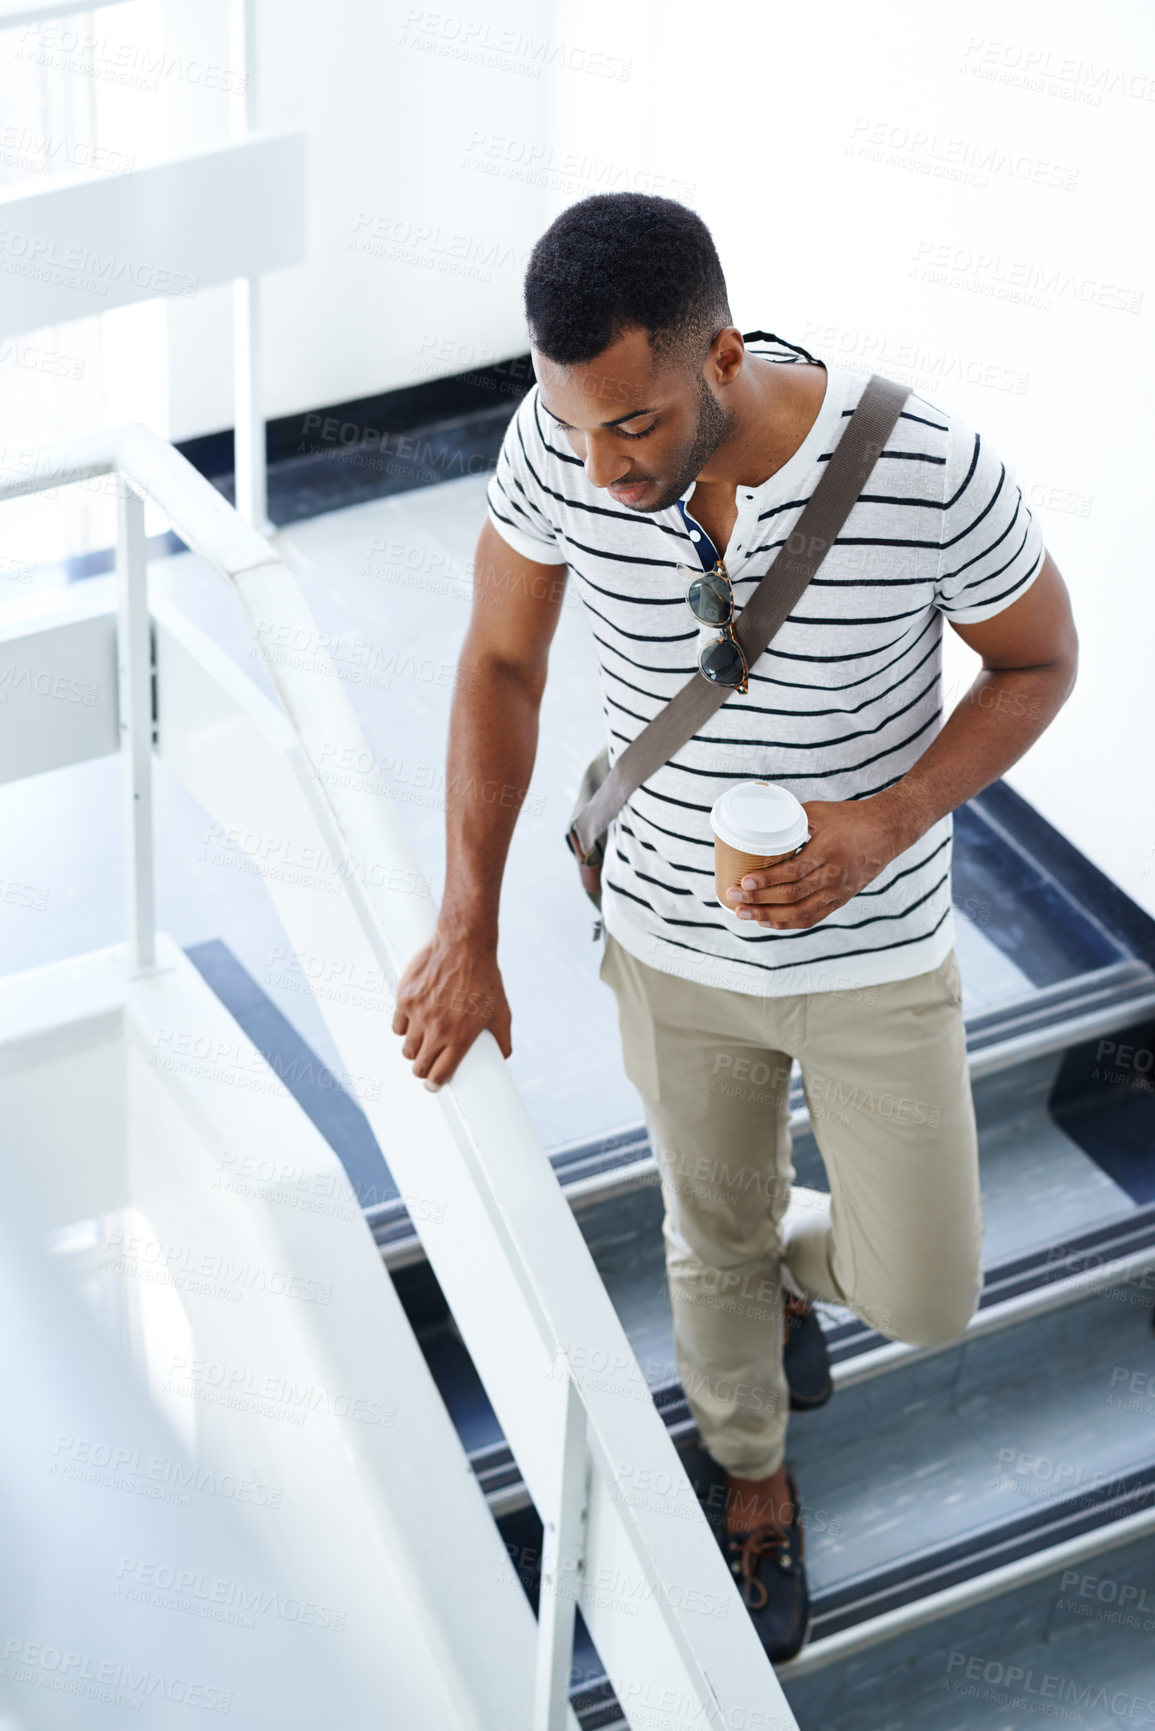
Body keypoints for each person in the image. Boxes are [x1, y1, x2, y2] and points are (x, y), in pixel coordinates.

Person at [391, 192, 1078, 1662]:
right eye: (573, 425)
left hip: (878, 952)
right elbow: (501, 663)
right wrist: (469, 925)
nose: (601, 465)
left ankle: (779, 1259)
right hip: (669, 948)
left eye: (632, 424)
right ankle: (752, 1477)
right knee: (706, 1246)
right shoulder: (561, 454)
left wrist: (883, 824)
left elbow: (1037, 660)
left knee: (928, 1290)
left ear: (721, 352)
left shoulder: (926, 464)